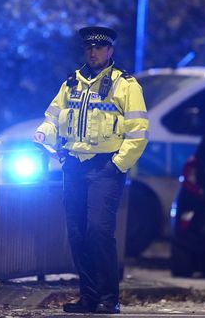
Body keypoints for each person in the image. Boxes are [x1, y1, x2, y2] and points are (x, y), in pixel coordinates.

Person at [33, 26, 149, 314]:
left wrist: (116, 166)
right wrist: (42, 134)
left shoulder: (126, 85)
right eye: (89, 48)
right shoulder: (71, 83)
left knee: (98, 231)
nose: (93, 52)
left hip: (104, 168)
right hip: (73, 165)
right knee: (77, 232)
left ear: (110, 50)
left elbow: (139, 133)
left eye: (99, 48)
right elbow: (52, 118)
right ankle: (89, 297)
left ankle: (109, 298)